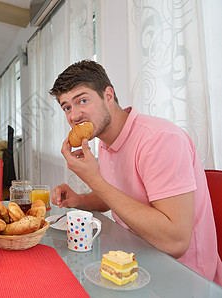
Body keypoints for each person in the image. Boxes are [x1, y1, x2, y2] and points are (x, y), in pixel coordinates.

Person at [49, 60, 222, 285]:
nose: (74, 116)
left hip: (186, 277)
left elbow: (176, 242)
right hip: (132, 260)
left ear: (108, 96)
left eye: (82, 100)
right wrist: (78, 199)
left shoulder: (159, 140)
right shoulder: (103, 140)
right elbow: (114, 196)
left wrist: (94, 178)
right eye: (67, 107)